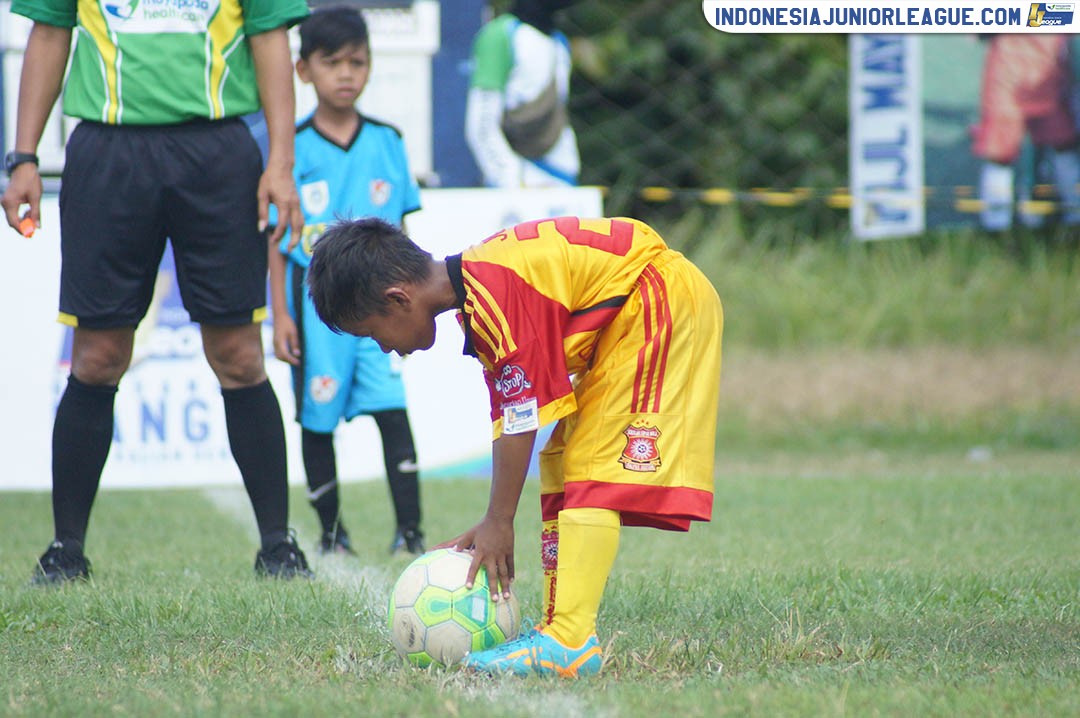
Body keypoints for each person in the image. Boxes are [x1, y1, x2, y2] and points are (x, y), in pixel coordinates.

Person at [307, 216, 723, 678]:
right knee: (563, 461)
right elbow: (512, 413)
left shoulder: (494, 294)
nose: (383, 348)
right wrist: (494, 518)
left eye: (372, 334)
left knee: (590, 467)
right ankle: (556, 627)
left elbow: (521, 420)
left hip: (656, 300)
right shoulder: (481, 291)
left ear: (398, 299)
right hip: (634, 309)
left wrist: (499, 520)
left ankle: (569, 641)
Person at [1, 0, 313, 582]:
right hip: (107, 154)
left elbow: (271, 38)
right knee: (97, 356)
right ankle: (65, 551)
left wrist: (281, 163)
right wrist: (23, 157)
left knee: (239, 355)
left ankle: (278, 549)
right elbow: (49, 32)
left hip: (219, 155)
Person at [268, 6, 425, 557]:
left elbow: (403, 237)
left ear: (370, 66)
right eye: (331, 62)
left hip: (382, 307)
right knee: (317, 416)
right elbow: (276, 237)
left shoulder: (387, 141)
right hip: (316, 311)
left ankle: (411, 531)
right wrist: (281, 316)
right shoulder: (290, 148)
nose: (345, 73)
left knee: (392, 410)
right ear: (303, 69)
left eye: (357, 62)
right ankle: (332, 534)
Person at [465, 0, 580, 187]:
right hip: (516, 178)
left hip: (561, 176)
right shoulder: (502, 34)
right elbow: (481, 124)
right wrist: (510, 178)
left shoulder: (559, 42)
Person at [971, 35, 1080, 230]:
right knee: (1061, 150)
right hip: (1030, 78)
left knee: (1002, 158)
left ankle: (996, 226)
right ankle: (997, 226)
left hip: (1018, 79)